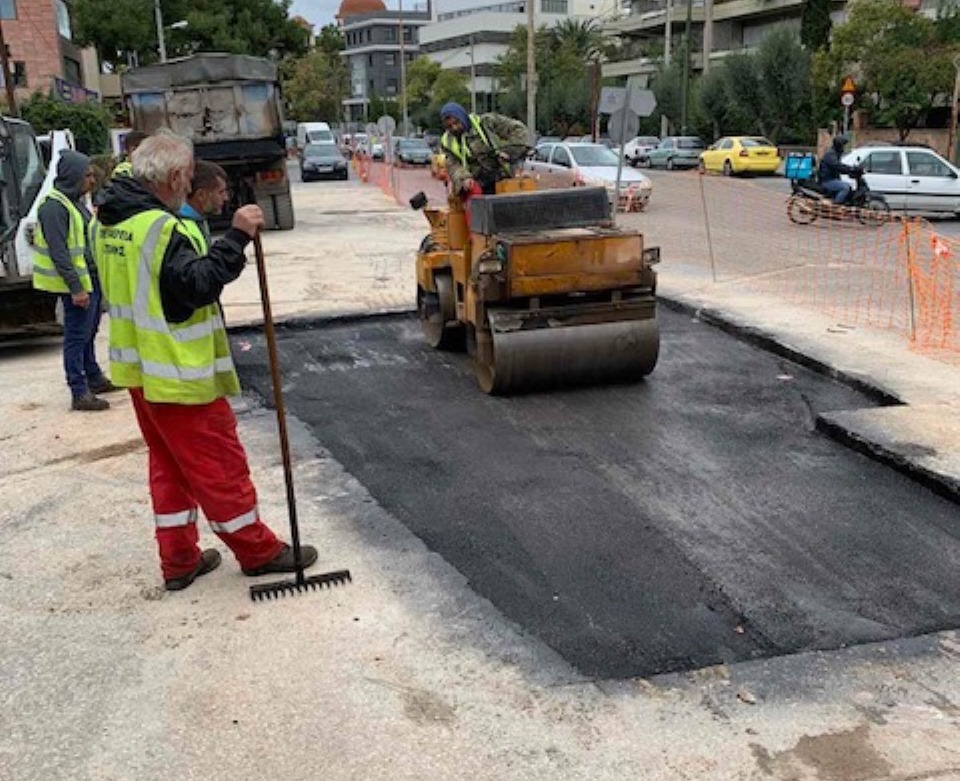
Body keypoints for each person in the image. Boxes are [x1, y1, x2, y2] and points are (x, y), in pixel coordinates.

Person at [93, 131, 319, 592]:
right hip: (178, 371)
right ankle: (257, 551)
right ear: (175, 176)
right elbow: (197, 284)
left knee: (169, 466)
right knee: (219, 464)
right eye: (189, 176)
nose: (190, 183)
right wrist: (235, 236)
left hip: (140, 370)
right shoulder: (160, 228)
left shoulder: (109, 221)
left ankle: (178, 560)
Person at [32, 150, 119, 411]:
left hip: (90, 280)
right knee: (76, 337)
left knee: (89, 333)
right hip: (77, 286)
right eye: (87, 175)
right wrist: (76, 288)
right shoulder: (54, 207)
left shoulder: (74, 203)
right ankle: (79, 391)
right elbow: (60, 253)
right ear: (73, 177)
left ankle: (94, 378)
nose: (92, 180)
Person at [439, 102, 529, 197]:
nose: (454, 128)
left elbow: (518, 129)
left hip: (503, 176)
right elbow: (453, 165)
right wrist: (464, 178)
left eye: (457, 123)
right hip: (477, 184)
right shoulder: (446, 142)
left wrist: (509, 152)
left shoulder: (486, 122)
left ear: (462, 117)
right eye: (449, 126)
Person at [178, 160, 229, 249]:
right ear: (201, 195)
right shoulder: (181, 229)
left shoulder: (196, 221)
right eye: (221, 192)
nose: (226, 198)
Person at [817, 135, 858, 204]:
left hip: (833, 179)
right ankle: (836, 206)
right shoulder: (830, 155)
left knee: (848, 186)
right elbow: (837, 166)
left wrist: (851, 170)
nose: (844, 147)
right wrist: (851, 169)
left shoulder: (835, 154)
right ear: (839, 145)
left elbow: (839, 167)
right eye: (843, 145)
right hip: (827, 180)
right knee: (845, 188)